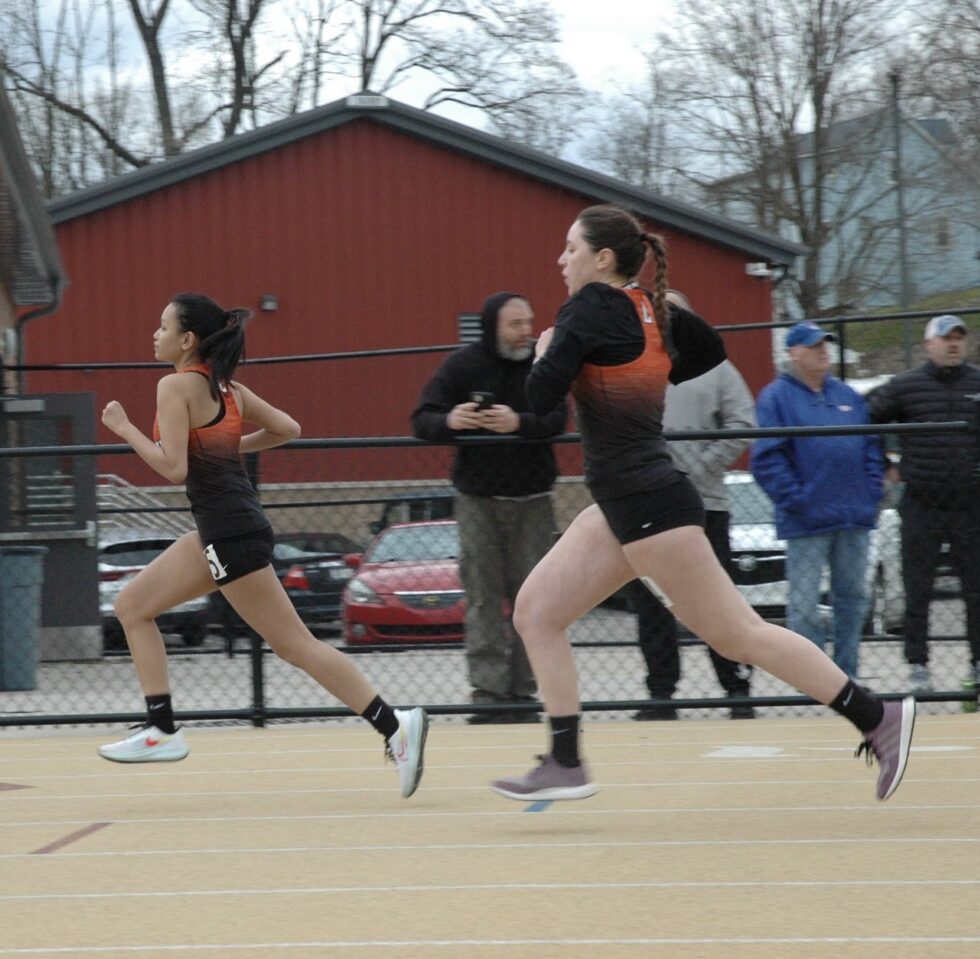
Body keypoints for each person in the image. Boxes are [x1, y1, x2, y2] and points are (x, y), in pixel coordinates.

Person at [488, 204, 915, 804]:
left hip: (646, 503)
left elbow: (540, 402)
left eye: (570, 249)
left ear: (602, 258)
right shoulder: (650, 311)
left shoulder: (588, 308)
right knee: (536, 612)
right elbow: (710, 349)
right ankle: (564, 759)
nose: (562, 261)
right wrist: (642, 358)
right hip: (626, 502)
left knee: (738, 634)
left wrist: (549, 349)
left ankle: (878, 716)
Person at [98, 293, 428, 797]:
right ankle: (160, 728)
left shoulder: (174, 386)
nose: (155, 334)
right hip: (224, 528)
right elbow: (287, 429)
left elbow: (173, 467)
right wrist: (231, 446)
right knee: (132, 605)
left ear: (188, 341)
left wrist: (123, 429)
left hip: (230, 533)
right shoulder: (228, 389)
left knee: (294, 645)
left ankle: (394, 725)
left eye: (163, 327)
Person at [411, 291, 567, 723]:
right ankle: (487, 694)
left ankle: (522, 693)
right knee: (482, 598)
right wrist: (451, 421)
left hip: (534, 501)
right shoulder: (462, 365)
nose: (525, 332)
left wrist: (520, 424)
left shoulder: (542, 365)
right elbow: (421, 418)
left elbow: (559, 419)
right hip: (477, 502)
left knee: (532, 601)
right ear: (492, 326)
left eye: (528, 322)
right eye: (515, 324)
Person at [629, 290, 756, 720]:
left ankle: (737, 686)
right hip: (647, 507)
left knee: (715, 599)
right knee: (652, 601)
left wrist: (702, 463)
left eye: (675, 313)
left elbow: (743, 423)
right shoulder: (632, 366)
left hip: (706, 507)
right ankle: (661, 694)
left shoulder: (717, 368)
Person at [867, 316, 980, 693]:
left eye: (959, 338)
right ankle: (918, 665)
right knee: (918, 587)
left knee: (979, 588)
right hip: (922, 501)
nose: (954, 344)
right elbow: (868, 420)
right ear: (929, 344)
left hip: (972, 503)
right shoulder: (906, 386)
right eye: (946, 339)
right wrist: (886, 466)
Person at [751, 322, 885, 681]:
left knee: (853, 599)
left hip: (853, 516)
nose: (823, 351)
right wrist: (797, 500)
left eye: (825, 344)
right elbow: (766, 458)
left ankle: (847, 675)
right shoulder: (775, 398)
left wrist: (872, 490)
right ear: (793, 352)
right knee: (804, 605)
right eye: (813, 346)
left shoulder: (848, 396)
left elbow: (872, 446)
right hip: (807, 520)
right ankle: (814, 679)